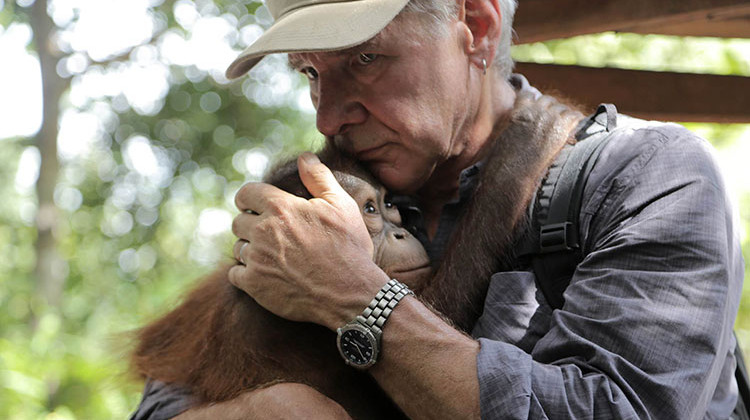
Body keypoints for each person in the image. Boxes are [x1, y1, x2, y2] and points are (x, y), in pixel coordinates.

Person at [130, 0, 745, 418]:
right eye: (310, 73)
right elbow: (167, 388)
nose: (327, 115)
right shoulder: (324, 193)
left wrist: (357, 299)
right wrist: (267, 411)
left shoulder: (642, 175)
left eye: (365, 60)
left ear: (474, 24)